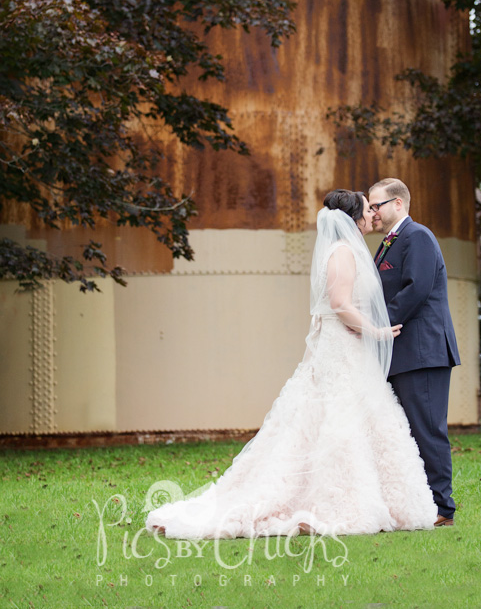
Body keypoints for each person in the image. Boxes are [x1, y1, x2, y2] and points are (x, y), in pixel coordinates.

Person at [145, 189, 437, 539]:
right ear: (353, 219)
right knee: (340, 417)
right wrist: (375, 330)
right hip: (342, 347)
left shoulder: (347, 250)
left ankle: (375, 498)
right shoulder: (343, 252)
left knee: (340, 418)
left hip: (345, 347)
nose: (372, 214)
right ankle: (340, 501)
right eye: (367, 209)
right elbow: (341, 304)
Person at [368, 178, 461, 527]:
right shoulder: (387, 245)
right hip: (401, 352)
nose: (373, 213)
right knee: (406, 431)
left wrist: (377, 327)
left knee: (427, 429)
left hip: (423, 351)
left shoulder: (417, 236)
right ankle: (419, 502)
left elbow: (416, 289)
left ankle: (442, 508)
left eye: (376, 205)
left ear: (398, 204)